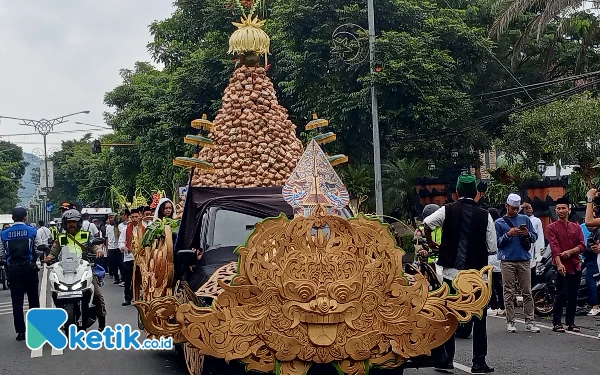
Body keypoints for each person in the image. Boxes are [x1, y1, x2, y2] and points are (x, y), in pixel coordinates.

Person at [423, 175, 497, 374]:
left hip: (451, 274)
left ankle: (446, 360)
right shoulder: (485, 215)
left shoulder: (447, 209)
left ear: (456, 193)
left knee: (449, 315)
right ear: (476, 194)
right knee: (479, 318)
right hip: (476, 276)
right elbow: (492, 247)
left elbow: (427, 224)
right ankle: (479, 362)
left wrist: (431, 243)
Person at [44, 209, 107, 331]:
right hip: (65, 271)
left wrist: (98, 251)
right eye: (69, 222)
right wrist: (48, 258)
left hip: (84, 269)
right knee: (55, 290)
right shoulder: (61, 237)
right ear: (65, 224)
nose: (71, 224)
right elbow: (53, 252)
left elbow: (95, 246)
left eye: (74, 222)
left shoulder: (86, 235)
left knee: (98, 295)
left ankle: (102, 320)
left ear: (79, 223)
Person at [495, 193, 539, 334]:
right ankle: (510, 321)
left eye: (516, 208)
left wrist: (526, 233)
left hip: (524, 259)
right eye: (512, 208)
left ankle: (530, 321)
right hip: (507, 260)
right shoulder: (499, 223)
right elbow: (497, 243)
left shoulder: (525, 219)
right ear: (506, 206)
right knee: (509, 292)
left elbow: (534, 237)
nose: (514, 211)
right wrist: (509, 234)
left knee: (527, 291)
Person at [0, 207, 40, 341]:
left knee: (17, 303)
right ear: (25, 218)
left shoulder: (4, 234)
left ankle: (21, 332)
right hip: (29, 269)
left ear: (12, 218)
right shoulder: (33, 231)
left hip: (13, 271)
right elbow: (38, 248)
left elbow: (2, 254)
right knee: (33, 300)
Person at [547, 197, 584, 333]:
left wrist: (571, 251)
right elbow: (554, 247)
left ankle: (571, 322)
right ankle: (557, 322)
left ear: (569, 209)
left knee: (574, 295)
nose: (561, 211)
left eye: (564, 208)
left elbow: (582, 244)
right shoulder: (552, 227)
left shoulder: (576, 227)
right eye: (559, 208)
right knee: (561, 294)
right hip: (561, 265)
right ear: (556, 210)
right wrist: (559, 263)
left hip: (575, 264)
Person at [118, 208, 142, 306]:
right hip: (129, 257)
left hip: (141, 258)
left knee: (140, 278)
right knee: (128, 279)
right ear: (130, 218)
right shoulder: (125, 229)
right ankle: (127, 298)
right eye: (132, 217)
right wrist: (123, 247)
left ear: (140, 216)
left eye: (136, 217)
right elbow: (121, 241)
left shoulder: (145, 228)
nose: (135, 219)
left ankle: (139, 297)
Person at [520, 202, 545, 282]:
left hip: (535, 246)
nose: (528, 210)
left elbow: (540, 236)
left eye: (530, 208)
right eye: (526, 208)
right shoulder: (521, 219)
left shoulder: (537, 220)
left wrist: (540, 252)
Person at [487, 208, 504, 317]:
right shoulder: (500, 225)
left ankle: (494, 306)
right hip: (498, 256)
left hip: (490, 256)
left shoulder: (491, 226)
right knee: (498, 283)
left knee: (490, 283)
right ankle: (502, 306)